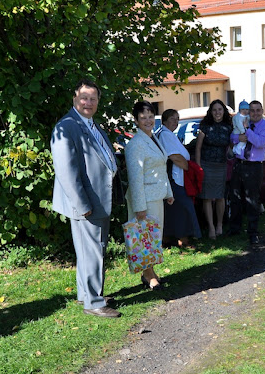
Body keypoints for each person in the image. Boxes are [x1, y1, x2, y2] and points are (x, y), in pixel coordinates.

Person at [51, 79, 122, 318]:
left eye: (93, 99)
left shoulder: (90, 123)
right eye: (84, 98)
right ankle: (94, 302)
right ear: (75, 99)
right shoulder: (66, 126)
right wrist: (82, 204)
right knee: (92, 251)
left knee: (90, 250)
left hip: (99, 198)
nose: (88, 102)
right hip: (86, 202)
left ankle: (87, 294)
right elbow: (66, 170)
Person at [124, 101, 174, 290]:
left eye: (151, 116)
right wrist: (139, 207)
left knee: (153, 238)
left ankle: (151, 273)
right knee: (144, 237)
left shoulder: (153, 138)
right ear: (136, 120)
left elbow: (161, 167)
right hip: (144, 198)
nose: (148, 120)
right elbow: (135, 177)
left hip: (156, 196)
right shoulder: (135, 144)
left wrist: (168, 192)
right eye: (143, 117)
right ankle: (148, 276)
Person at [156, 109, 202, 248]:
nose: (175, 122)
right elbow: (174, 156)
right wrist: (189, 168)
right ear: (164, 120)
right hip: (175, 177)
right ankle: (183, 239)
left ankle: (170, 239)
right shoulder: (165, 134)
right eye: (172, 119)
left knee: (174, 209)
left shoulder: (169, 134)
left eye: (177, 119)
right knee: (183, 207)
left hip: (177, 176)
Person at [229, 100, 265, 245]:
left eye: (257, 110)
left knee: (252, 200)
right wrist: (239, 137)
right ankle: (234, 229)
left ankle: (253, 232)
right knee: (235, 197)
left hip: (254, 166)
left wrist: (247, 130)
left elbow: (260, 143)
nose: (254, 113)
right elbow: (232, 137)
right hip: (239, 163)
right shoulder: (241, 120)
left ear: (262, 111)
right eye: (252, 110)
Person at [194, 100, 233, 239]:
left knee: (220, 196)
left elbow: (232, 146)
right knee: (207, 197)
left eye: (220, 109)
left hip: (221, 165)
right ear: (211, 112)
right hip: (206, 165)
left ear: (224, 111)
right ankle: (211, 227)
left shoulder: (228, 127)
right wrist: (199, 167)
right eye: (214, 110)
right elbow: (198, 148)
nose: (217, 112)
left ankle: (219, 225)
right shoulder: (205, 126)